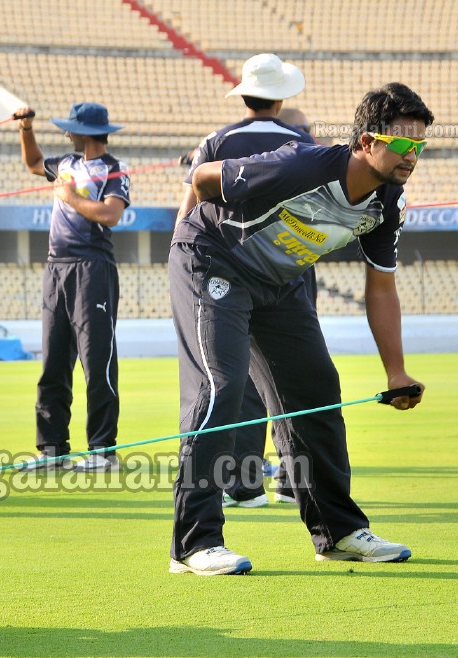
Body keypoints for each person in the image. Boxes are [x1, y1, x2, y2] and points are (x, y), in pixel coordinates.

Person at [168, 83, 432, 575]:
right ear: (366, 141)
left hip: (280, 284)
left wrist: (395, 372)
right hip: (213, 263)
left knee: (317, 391)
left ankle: (338, 533)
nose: (411, 154)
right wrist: (185, 251)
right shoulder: (300, 165)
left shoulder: (386, 203)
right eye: (401, 143)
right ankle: (193, 543)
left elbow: (380, 288)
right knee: (220, 388)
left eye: (419, 145)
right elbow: (204, 178)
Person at [175, 54, 315, 510]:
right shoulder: (304, 142)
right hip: (288, 267)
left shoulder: (217, 140)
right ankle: (296, 483)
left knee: (235, 379)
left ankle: (244, 482)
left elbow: (192, 206)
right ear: (282, 97)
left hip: (226, 267)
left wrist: (180, 258)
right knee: (289, 378)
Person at [15, 102, 130, 471]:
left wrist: (71, 198)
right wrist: (25, 130)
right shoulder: (65, 162)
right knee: (53, 360)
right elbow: (34, 164)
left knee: (96, 361)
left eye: (71, 127)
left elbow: (111, 214)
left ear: (87, 132)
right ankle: (52, 448)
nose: (66, 132)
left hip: (92, 268)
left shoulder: (113, 169)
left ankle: (102, 450)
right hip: (56, 268)